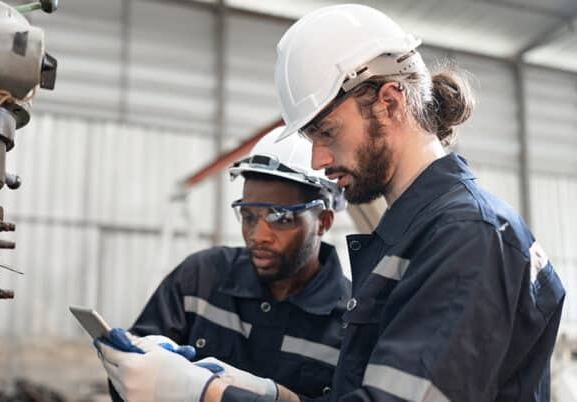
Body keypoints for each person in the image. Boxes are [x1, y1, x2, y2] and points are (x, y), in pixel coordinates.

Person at [95, 4, 565, 402]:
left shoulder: (467, 237)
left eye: (327, 132)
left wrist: (210, 395)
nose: (319, 159)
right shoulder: (414, 236)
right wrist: (266, 392)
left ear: (390, 102)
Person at [107, 126, 349, 401]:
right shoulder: (200, 279)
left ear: (323, 222)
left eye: (280, 218)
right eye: (248, 217)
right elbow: (127, 380)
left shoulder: (351, 322)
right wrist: (133, 363)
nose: (258, 236)